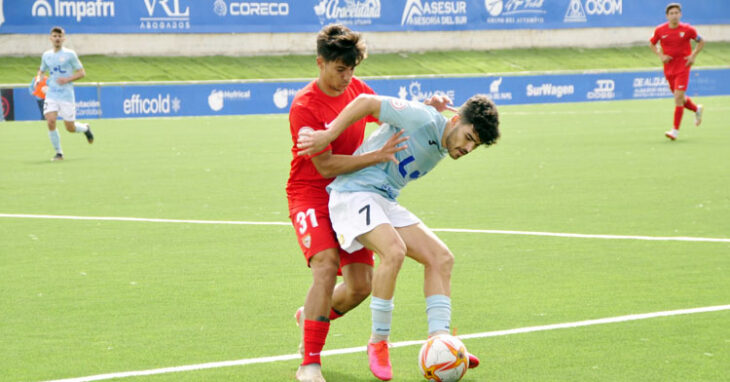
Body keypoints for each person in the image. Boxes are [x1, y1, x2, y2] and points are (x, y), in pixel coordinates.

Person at [297, 93, 499, 380]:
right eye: (468, 137)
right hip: (353, 194)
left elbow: (429, 128)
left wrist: (431, 108)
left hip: (383, 199)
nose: (468, 147)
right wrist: (328, 134)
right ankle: (378, 341)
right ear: (455, 120)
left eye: (475, 145)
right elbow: (366, 101)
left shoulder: (444, 138)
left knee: (441, 258)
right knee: (394, 251)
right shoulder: (422, 118)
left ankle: (442, 344)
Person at [286, 24, 409, 382]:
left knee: (360, 287)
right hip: (310, 192)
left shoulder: (356, 90)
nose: (347, 78)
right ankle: (308, 362)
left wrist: (426, 110)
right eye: (340, 69)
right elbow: (324, 165)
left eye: (352, 69)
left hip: (350, 193)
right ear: (320, 63)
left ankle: (311, 313)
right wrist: (376, 157)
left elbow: (391, 111)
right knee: (324, 267)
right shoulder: (304, 107)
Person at [649, 2, 705, 141]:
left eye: (676, 13)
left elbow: (701, 41)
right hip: (669, 68)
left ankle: (675, 130)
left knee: (677, 98)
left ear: (680, 14)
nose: (674, 16)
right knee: (679, 97)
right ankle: (696, 109)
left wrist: (693, 55)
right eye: (671, 13)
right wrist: (661, 56)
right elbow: (651, 43)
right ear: (667, 16)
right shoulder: (660, 30)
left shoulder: (687, 29)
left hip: (683, 66)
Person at [38, 26, 93, 161]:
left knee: (70, 127)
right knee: (50, 121)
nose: (57, 39)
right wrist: (39, 79)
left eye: (59, 36)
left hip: (66, 95)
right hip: (52, 94)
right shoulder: (46, 55)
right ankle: (59, 153)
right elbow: (42, 70)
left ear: (64, 39)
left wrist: (67, 79)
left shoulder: (70, 54)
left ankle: (85, 128)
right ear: (50, 38)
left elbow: (82, 73)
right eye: (54, 36)